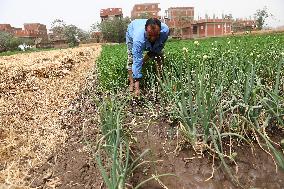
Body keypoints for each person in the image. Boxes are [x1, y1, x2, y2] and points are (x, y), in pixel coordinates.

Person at [126, 18, 169, 98]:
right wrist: (137, 88)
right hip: (132, 31)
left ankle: (159, 81)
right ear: (145, 30)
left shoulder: (165, 32)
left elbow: (156, 50)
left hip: (144, 34)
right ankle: (132, 83)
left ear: (160, 31)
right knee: (131, 59)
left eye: (156, 35)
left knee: (158, 56)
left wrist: (143, 61)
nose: (153, 38)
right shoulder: (138, 40)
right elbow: (136, 61)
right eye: (150, 35)